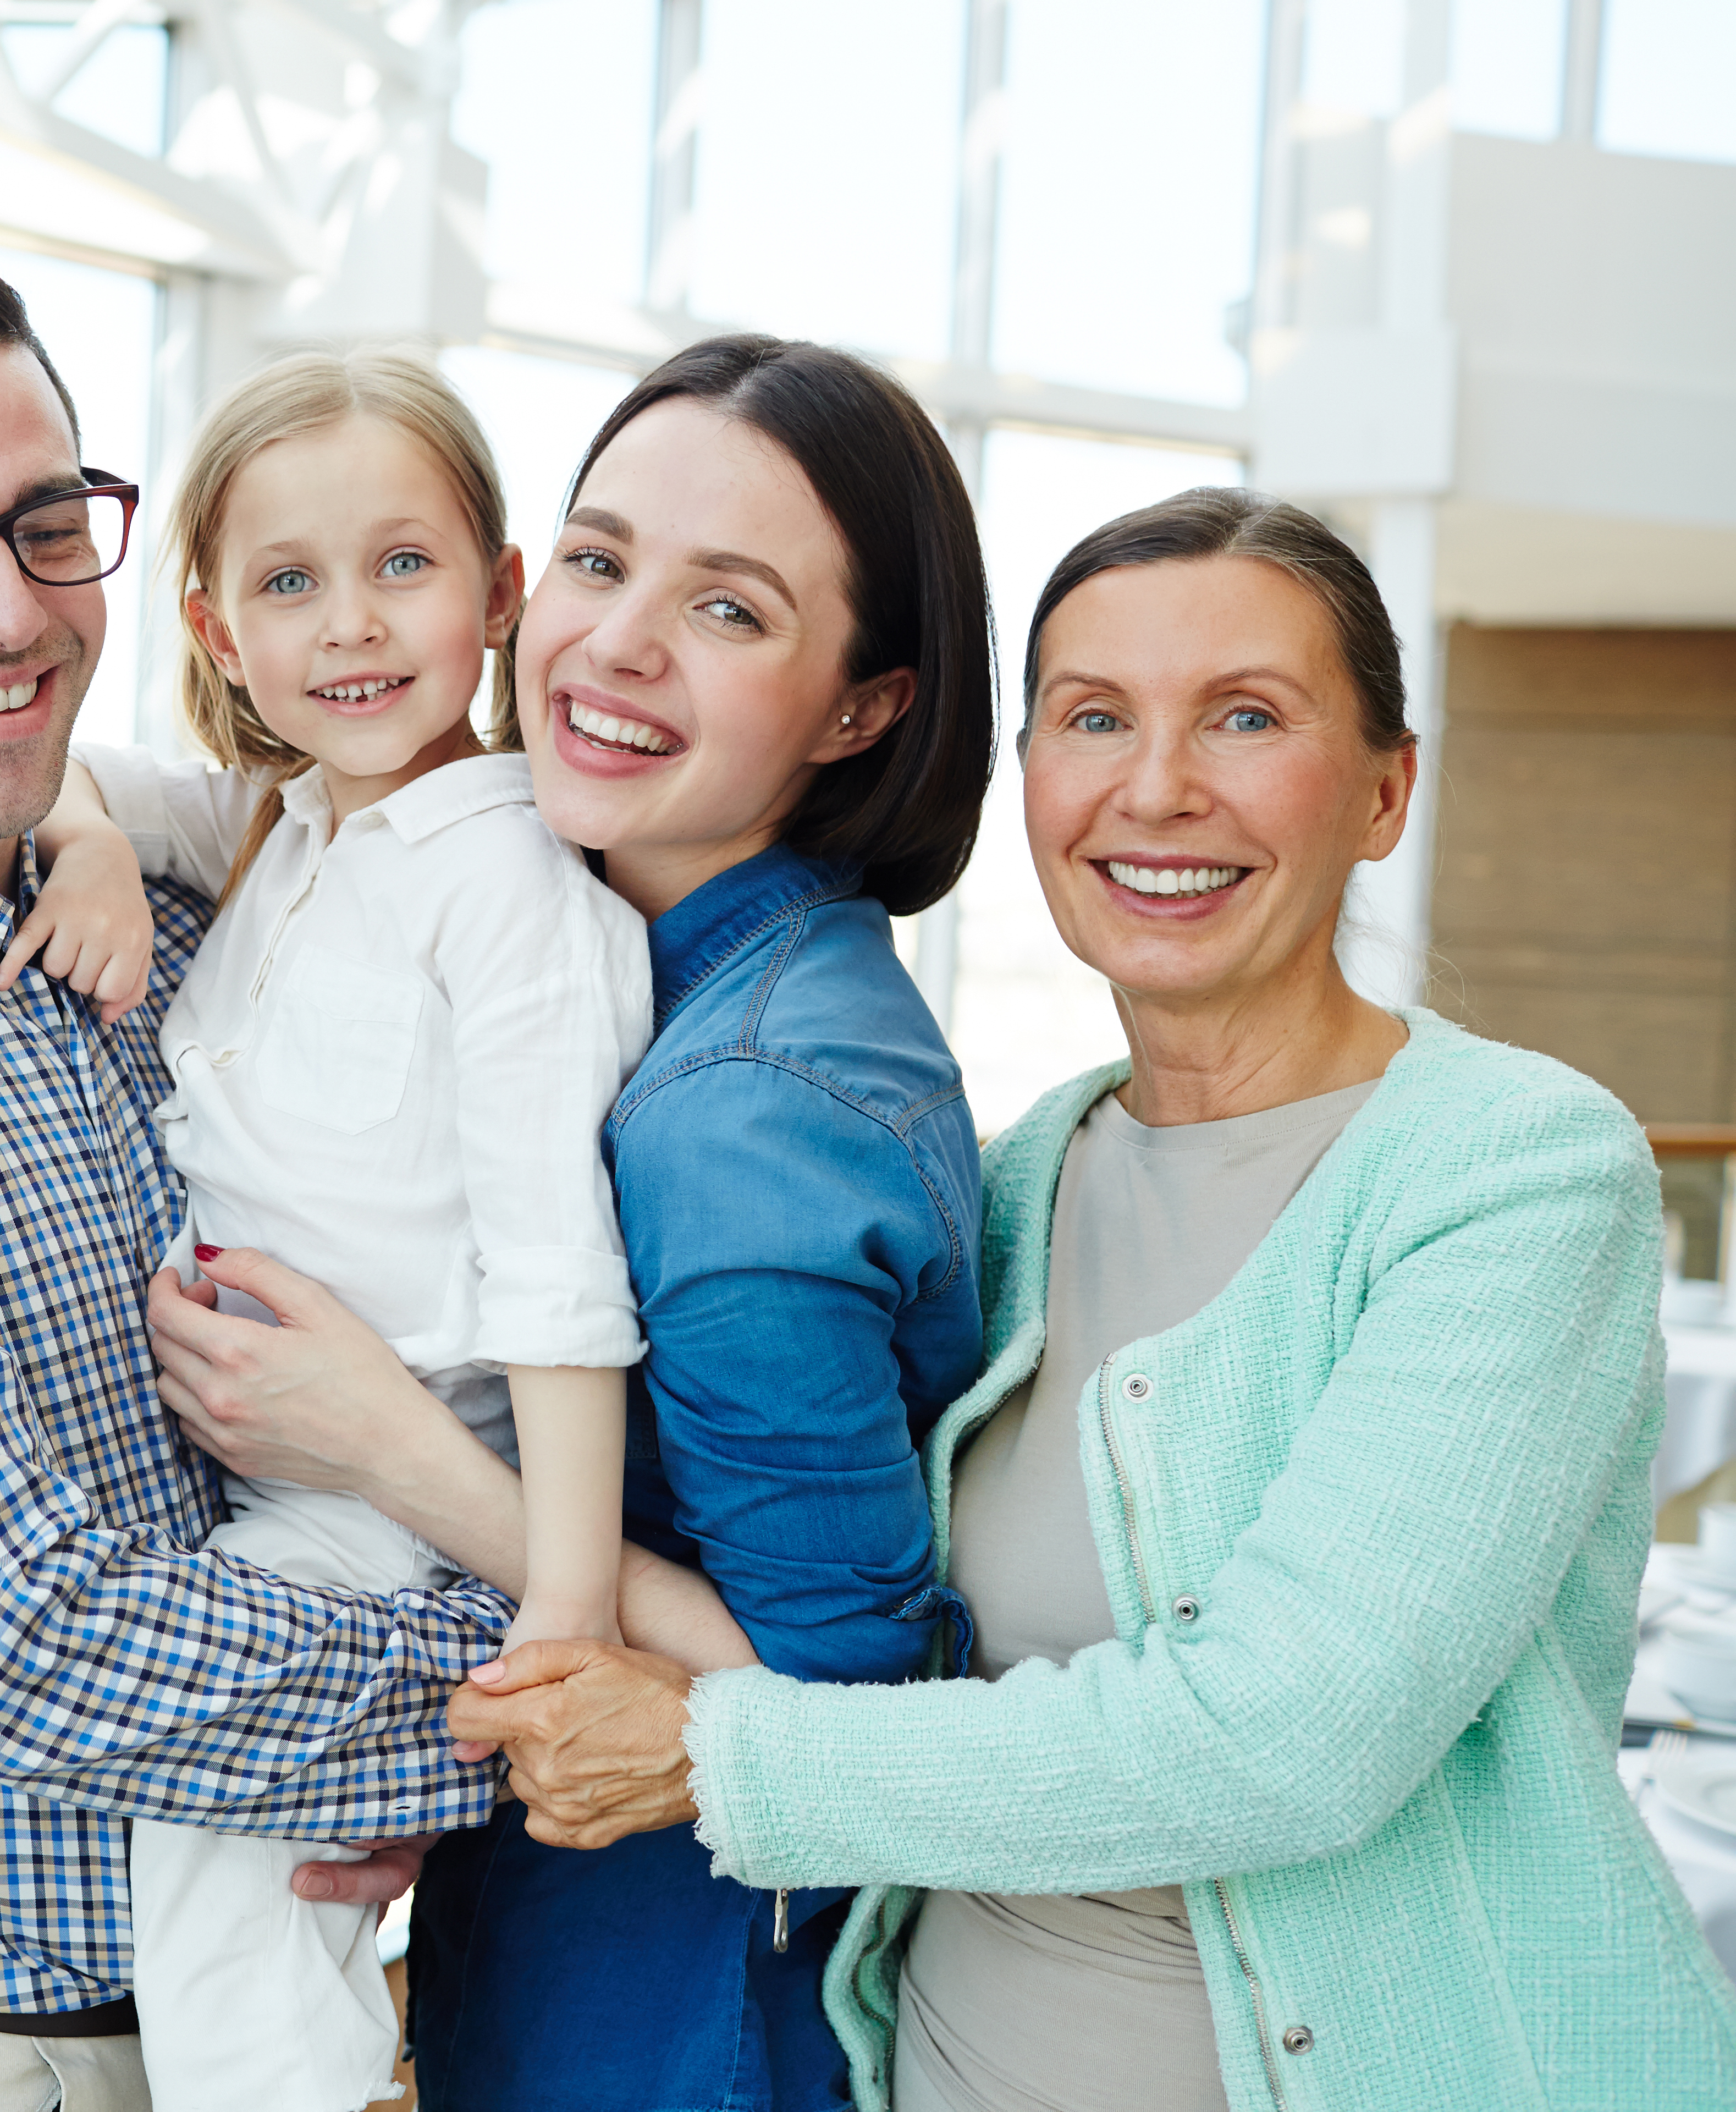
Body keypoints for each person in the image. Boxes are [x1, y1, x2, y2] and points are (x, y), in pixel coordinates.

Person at [0, 245, 737, 2112]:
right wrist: (548, 1703)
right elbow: (39, 1645)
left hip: (286, 1974)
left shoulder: (205, 905)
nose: (5, 610)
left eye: (43, 524)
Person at [444, 488, 1736, 2109]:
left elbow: (1287, 1735)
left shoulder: (1520, 1177)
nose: (1158, 788)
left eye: (1247, 718)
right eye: (1094, 717)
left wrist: (709, 1753)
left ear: (1387, 789)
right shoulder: (1008, 1184)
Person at [137, 333, 998, 2110]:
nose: (615, 644)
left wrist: (392, 1454)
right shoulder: (592, 927)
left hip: (679, 2016)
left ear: (865, 707)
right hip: (540, 1924)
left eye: (735, 611)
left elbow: (845, 1727)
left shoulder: (746, 1113)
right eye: (604, 564)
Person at [9, 347, 652, 2112]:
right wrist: (78, 845)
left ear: (503, 596)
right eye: (291, 584)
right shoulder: (290, 827)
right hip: (267, 1480)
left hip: (398, 1488)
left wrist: (572, 1617)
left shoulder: (505, 878)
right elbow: (90, 781)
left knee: (220, 1888)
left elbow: (558, 1276)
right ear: (219, 636)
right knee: (246, 1908)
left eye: (405, 565)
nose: (353, 628)